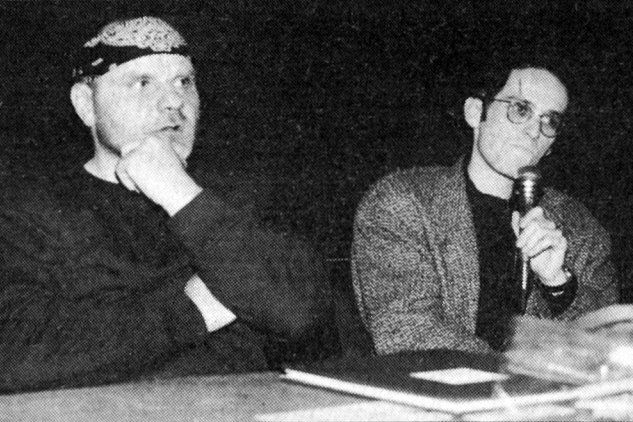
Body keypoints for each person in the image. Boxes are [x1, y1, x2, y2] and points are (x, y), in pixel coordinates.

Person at [0, 16, 333, 391]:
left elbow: (303, 316)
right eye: (142, 82)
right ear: (86, 105)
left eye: (184, 82)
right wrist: (193, 309)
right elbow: (14, 354)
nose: (175, 101)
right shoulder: (28, 214)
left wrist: (179, 193)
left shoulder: (234, 200)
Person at [351, 56, 619, 355]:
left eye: (550, 121)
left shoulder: (580, 228)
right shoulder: (403, 203)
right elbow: (408, 328)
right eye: (521, 109)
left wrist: (558, 285)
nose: (535, 131)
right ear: (475, 112)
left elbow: (605, 346)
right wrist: (511, 373)